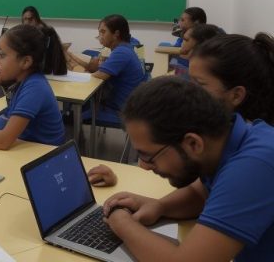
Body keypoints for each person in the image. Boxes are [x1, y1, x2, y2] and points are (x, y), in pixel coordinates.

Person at [99, 77, 274, 262]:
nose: (144, 165)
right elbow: (200, 193)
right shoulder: (228, 141)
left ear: (193, 143)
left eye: (148, 156)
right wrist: (160, 206)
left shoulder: (253, 166)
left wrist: (121, 222)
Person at [87, 32, 274, 188]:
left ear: (236, 95)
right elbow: (194, 190)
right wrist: (122, 181)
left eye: (199, 84)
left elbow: (181, 176)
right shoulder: (226, 132)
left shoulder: (250, 159)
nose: (188, 90)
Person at [68, 14, 144, 123]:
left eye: (103, 32)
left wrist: (72, 75)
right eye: (99, 32)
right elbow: (100, 70)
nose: (100, 36)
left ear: (116, 34)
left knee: (70, 114)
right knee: (76, 106)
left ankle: (74, 125)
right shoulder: (125, 48)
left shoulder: (121, 52)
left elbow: (98, 76)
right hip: (124, 105)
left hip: (119, 111)